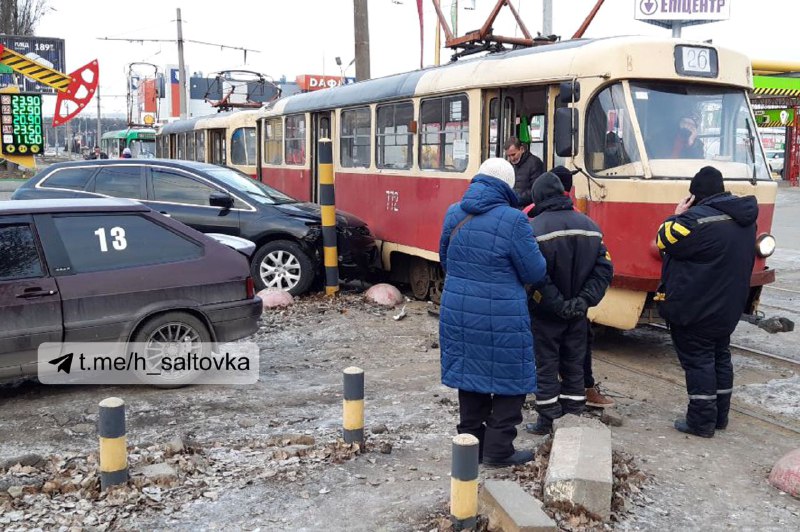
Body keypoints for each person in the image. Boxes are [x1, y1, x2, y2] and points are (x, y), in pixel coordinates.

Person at [439, 157, 547, 467]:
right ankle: (499, 450)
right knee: (509, 378)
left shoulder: (453, 213)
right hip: (503, 313)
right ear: (508, 186)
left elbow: (446, 259)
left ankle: (470, 446)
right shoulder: (513, 220)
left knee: (469, 376)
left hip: (457, 309)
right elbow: (535, 271)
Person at [655, 166, 757, 438]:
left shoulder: (694, 221)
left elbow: (663, 239)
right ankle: (720, 416)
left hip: (696, 307)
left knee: (699, 361)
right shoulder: (744, 219)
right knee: (720, 358)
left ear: (694, 196)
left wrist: (677, 214)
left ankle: (701, 422)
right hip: (728, 306)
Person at [523, 172, 614, 435]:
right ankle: (573, 417)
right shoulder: (591, 227)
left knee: (546, 365)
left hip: (545, 314)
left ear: (538, 197)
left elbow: (534, 275)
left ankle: (547, 421)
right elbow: (604, 270)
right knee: (574, 364)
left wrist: (556, 303)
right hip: (578, 315)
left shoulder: (533, 229)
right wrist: (583, 301)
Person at [504, 137, 544, 208]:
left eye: (513, 154)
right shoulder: (511, 165)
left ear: (522, 149)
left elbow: (536, 190)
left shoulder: (535, 163)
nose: (511, 159)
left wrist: (515, 198)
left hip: (529, 208)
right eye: (508, 156)